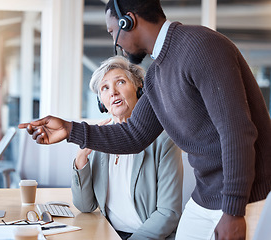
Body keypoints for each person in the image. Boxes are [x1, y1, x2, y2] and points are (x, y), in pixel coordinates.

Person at [18, 0, 271, 239]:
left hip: (248, 196)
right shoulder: (157, 74)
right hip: (208, 196)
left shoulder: (201, 46)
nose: (116, 44)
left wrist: (234, 211)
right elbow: (133, 135)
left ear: (129, 21)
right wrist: (70, 129)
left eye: (112, 31)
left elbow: (237, 132)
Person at [71, 56, 183, 240]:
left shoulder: (164, 141)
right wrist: (81, 158)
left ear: (139, 91)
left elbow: (168, 213)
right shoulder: (101, 140)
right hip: (109, 234)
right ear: (102, 103)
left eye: (120, 82)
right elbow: (85, 205)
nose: (113, 92)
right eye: (105, 88)